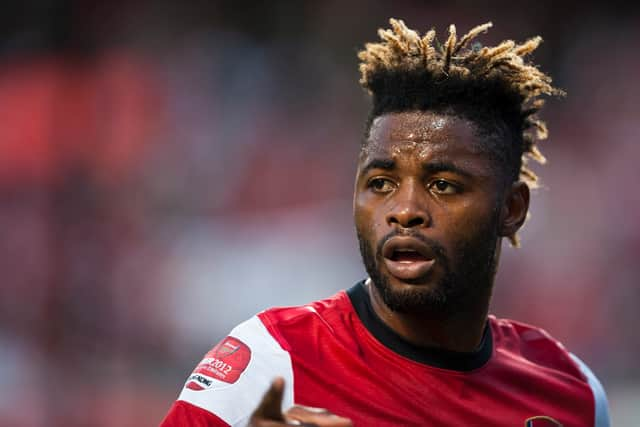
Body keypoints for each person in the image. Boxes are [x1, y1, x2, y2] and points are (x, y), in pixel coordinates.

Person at [161, 19, 610, 427]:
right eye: (381, 182)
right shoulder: (272, 364)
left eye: (443, 185)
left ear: (511, 210)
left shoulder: (572, 394)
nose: (404, 209)